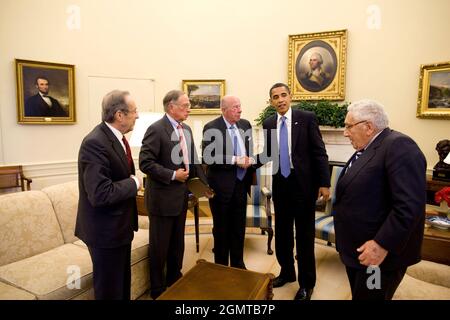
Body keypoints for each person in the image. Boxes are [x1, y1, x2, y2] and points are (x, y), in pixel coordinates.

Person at [334, 99, 426, 300]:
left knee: (371, 298)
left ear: (368, 127)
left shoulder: (399, 146)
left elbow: (409, 205)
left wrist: (381, 244)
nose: (345, 132)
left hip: (378, 259)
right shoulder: (368, 148)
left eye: (348, 126)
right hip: (361, 254)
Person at [257, 83, 330, 300]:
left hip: (304, 187)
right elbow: (268, 153)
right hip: (281, 185)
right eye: (275, 97)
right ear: (271, 101)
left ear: (290, 96)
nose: (280, 100)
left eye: (283, 95)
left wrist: (324, 182)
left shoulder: (306, 118)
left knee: (305, 237)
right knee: (283, 234)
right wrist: (248, 163)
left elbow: (319, 152)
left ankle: (307, 284)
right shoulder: (269, 122)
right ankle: (287, 272)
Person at [139, 90, 213, 300]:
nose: (189, 109)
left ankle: (174, 278)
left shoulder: (186, 129)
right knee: (159, 247)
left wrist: (205, 186)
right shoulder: (156, 129)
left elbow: (194, 161)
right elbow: (145, 163)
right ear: (171, 107)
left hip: (181, 198)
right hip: (162, 200)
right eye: (185, 105)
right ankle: (157, 290)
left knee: (177, 244)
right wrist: (172, 175)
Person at [75, 90, 142, 300]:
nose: (137, 116)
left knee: (121, 286)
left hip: (119, 228)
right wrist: (134, 182)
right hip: (105, 232)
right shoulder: (94, 143)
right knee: (110, 291)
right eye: (134, 111)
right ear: (119, 115)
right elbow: (100, 194)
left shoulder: (117, 139)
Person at [202, 95, 254, 269]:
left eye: (240, 106)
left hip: (241, 185)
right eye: (235, 107)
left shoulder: (245, 125)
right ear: (223, 110)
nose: (240, 110)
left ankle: (238, 264)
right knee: (222, 230)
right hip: (221, 188)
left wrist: (249, 160)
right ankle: (221, 267)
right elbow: (208, 157)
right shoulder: (211, 127)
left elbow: (247, 151)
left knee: (239, 229)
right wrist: (234, 159)